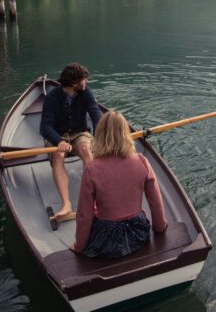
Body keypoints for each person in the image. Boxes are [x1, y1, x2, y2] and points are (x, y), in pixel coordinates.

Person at [72, 110, 168, 258]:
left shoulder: (91, 168)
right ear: (126, 133)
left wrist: (79, 246)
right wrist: (160, 228)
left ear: (99, 135)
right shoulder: (142, 161)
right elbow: (155, 202)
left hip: (106, 241)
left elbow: (85, 215)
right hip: (138, 234)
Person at [39, 63, 102, 220]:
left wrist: (101, 137)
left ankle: (94, 198)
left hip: (79, 133)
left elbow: (96, 115)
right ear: (74, 83)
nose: (86, 82)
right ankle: (66, 205)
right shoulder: (52, 97)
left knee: (87, 149)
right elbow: (45, 127)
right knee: (58, 155)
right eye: (83, 80)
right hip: (57, 135)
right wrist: (58, 140)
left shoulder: (86, 93)